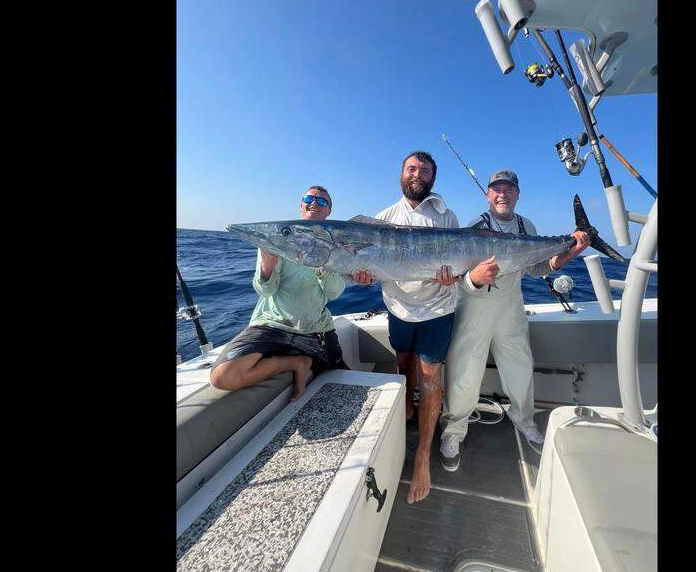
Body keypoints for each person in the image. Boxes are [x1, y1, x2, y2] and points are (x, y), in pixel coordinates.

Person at [438, 169, 589, 472]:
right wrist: (474, 279)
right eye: (496, 188)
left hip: (511, 311)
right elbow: (458, 278)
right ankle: (453, 432)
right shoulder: (474, 227)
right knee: (463, 377)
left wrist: (572, 251)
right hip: (474, 310)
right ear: (488, 194)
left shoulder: (526, 226)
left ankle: (525, 422)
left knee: (520, 372)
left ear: (518, 193)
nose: (502, 194)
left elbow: (537, 268)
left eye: (509, 189)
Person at [359, 151, 461, 504]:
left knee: (431, 375)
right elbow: (365, 269)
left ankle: (421, 457)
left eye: (425, 170)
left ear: (433, 178)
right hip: (399, 310)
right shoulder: (382, 219)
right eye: (412, 168)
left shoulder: (447, 216)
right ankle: (405, 415)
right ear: (401, 173)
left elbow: (464, 262)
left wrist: (457, 274)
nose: (418, 174)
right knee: (403, 366)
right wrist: (362, 277)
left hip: (437, 309)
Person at [209, 186, 370, 401]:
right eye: (309, 198)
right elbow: (265, 290)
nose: (314, 202)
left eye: (322, 201)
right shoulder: (276, 240)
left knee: (351, 390)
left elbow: (334, 292)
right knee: (222, 376)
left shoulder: (339, 244)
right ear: (301, 205)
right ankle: (295, 362)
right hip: (271, 325)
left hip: (316, 328)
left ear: (328, 211)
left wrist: (322, 264)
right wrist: (267, 265)